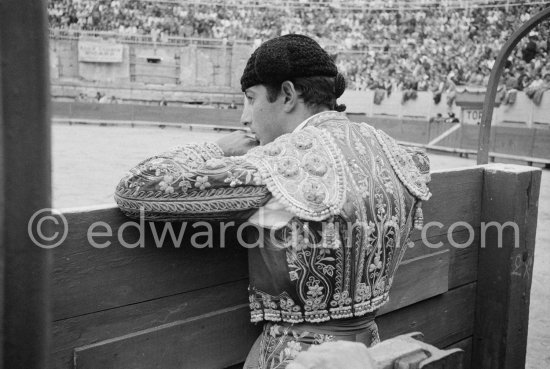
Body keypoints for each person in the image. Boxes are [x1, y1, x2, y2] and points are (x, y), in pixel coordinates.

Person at [114, 34, 431, 368]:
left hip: (297, 359)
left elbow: (137, 188)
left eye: (251, 99)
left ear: (289, 95)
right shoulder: (387, 149)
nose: (245, 117)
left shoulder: (280, 164)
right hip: (369, 354)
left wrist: (215, 149)